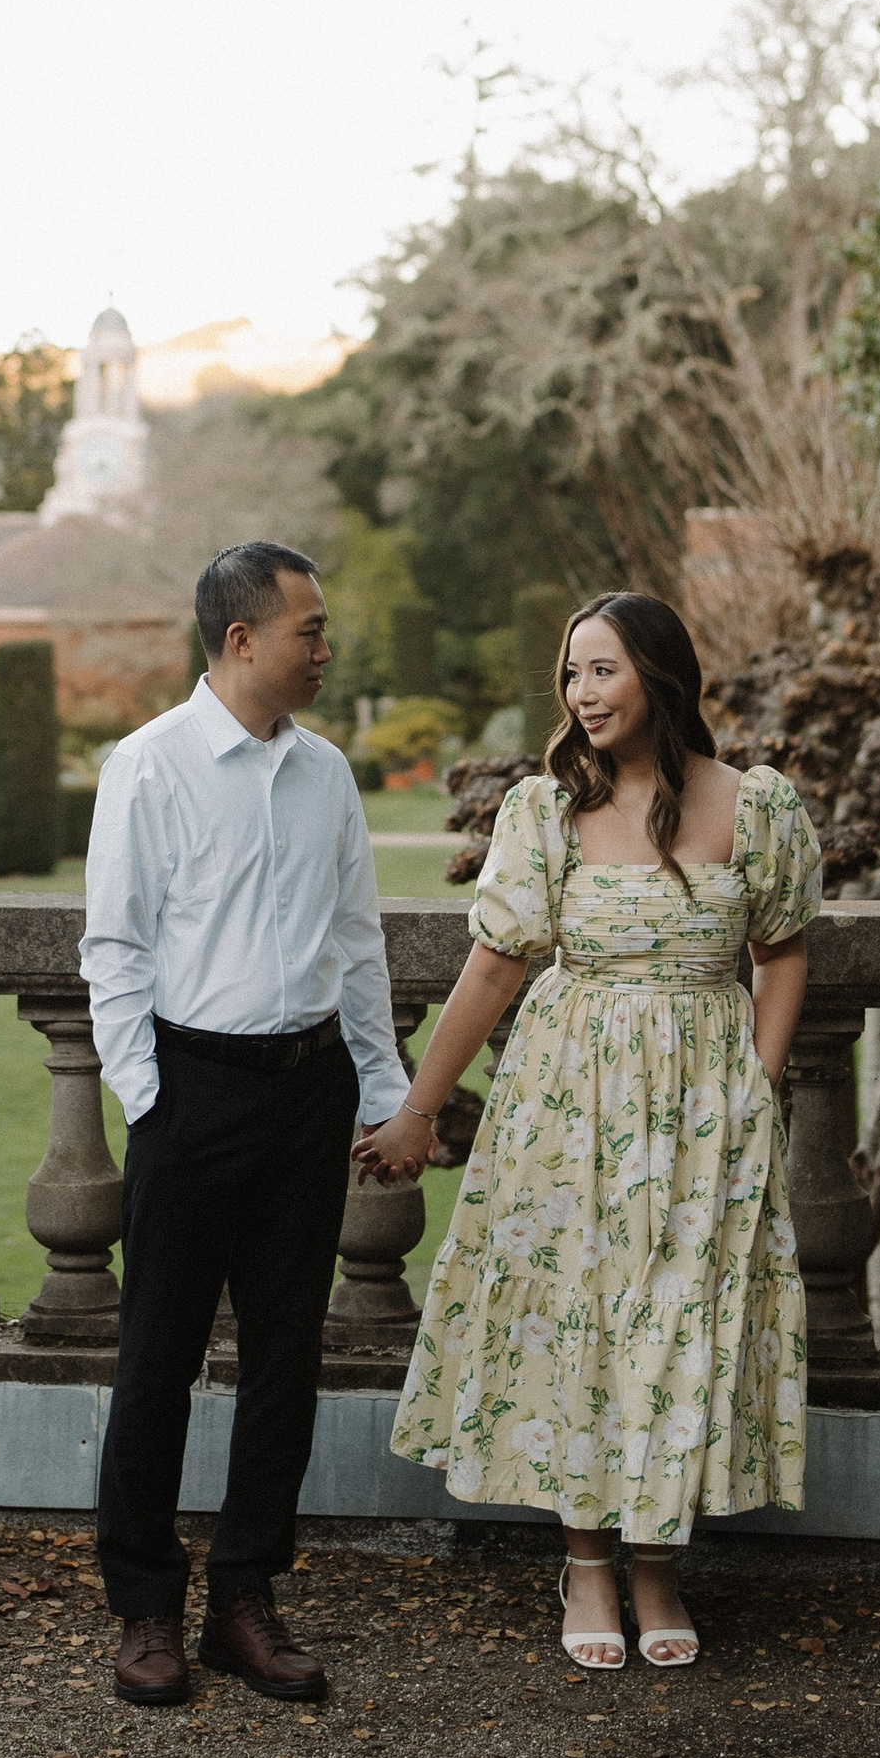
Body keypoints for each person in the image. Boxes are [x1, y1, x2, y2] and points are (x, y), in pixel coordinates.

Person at [364, 590, 816, 1671]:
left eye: (602, 670)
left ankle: (657, 1564)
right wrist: (419, 1112)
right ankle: (584, 1563)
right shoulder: (543, 810)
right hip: (569, 1107)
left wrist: (752, 1085)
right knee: (579, 1327)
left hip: (703, 1107)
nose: (580, 692)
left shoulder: (756, 807)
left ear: (658, 677)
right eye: (571, 674)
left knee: (677, 1325)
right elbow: (492, 966)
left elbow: (784, 948)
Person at [82, 538, 412, 1709]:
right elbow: (113, 947)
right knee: (156, 1360)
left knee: (286, 1359)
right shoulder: (150, 766)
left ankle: (244, 1601)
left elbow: (359, 942)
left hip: (307, 1088)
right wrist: (151, 1095)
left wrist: (383, 1090)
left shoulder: (326, 774)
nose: (325, 648)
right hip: (194, 1090)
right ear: (240, 641)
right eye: (309, 631)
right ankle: (143, 1613)